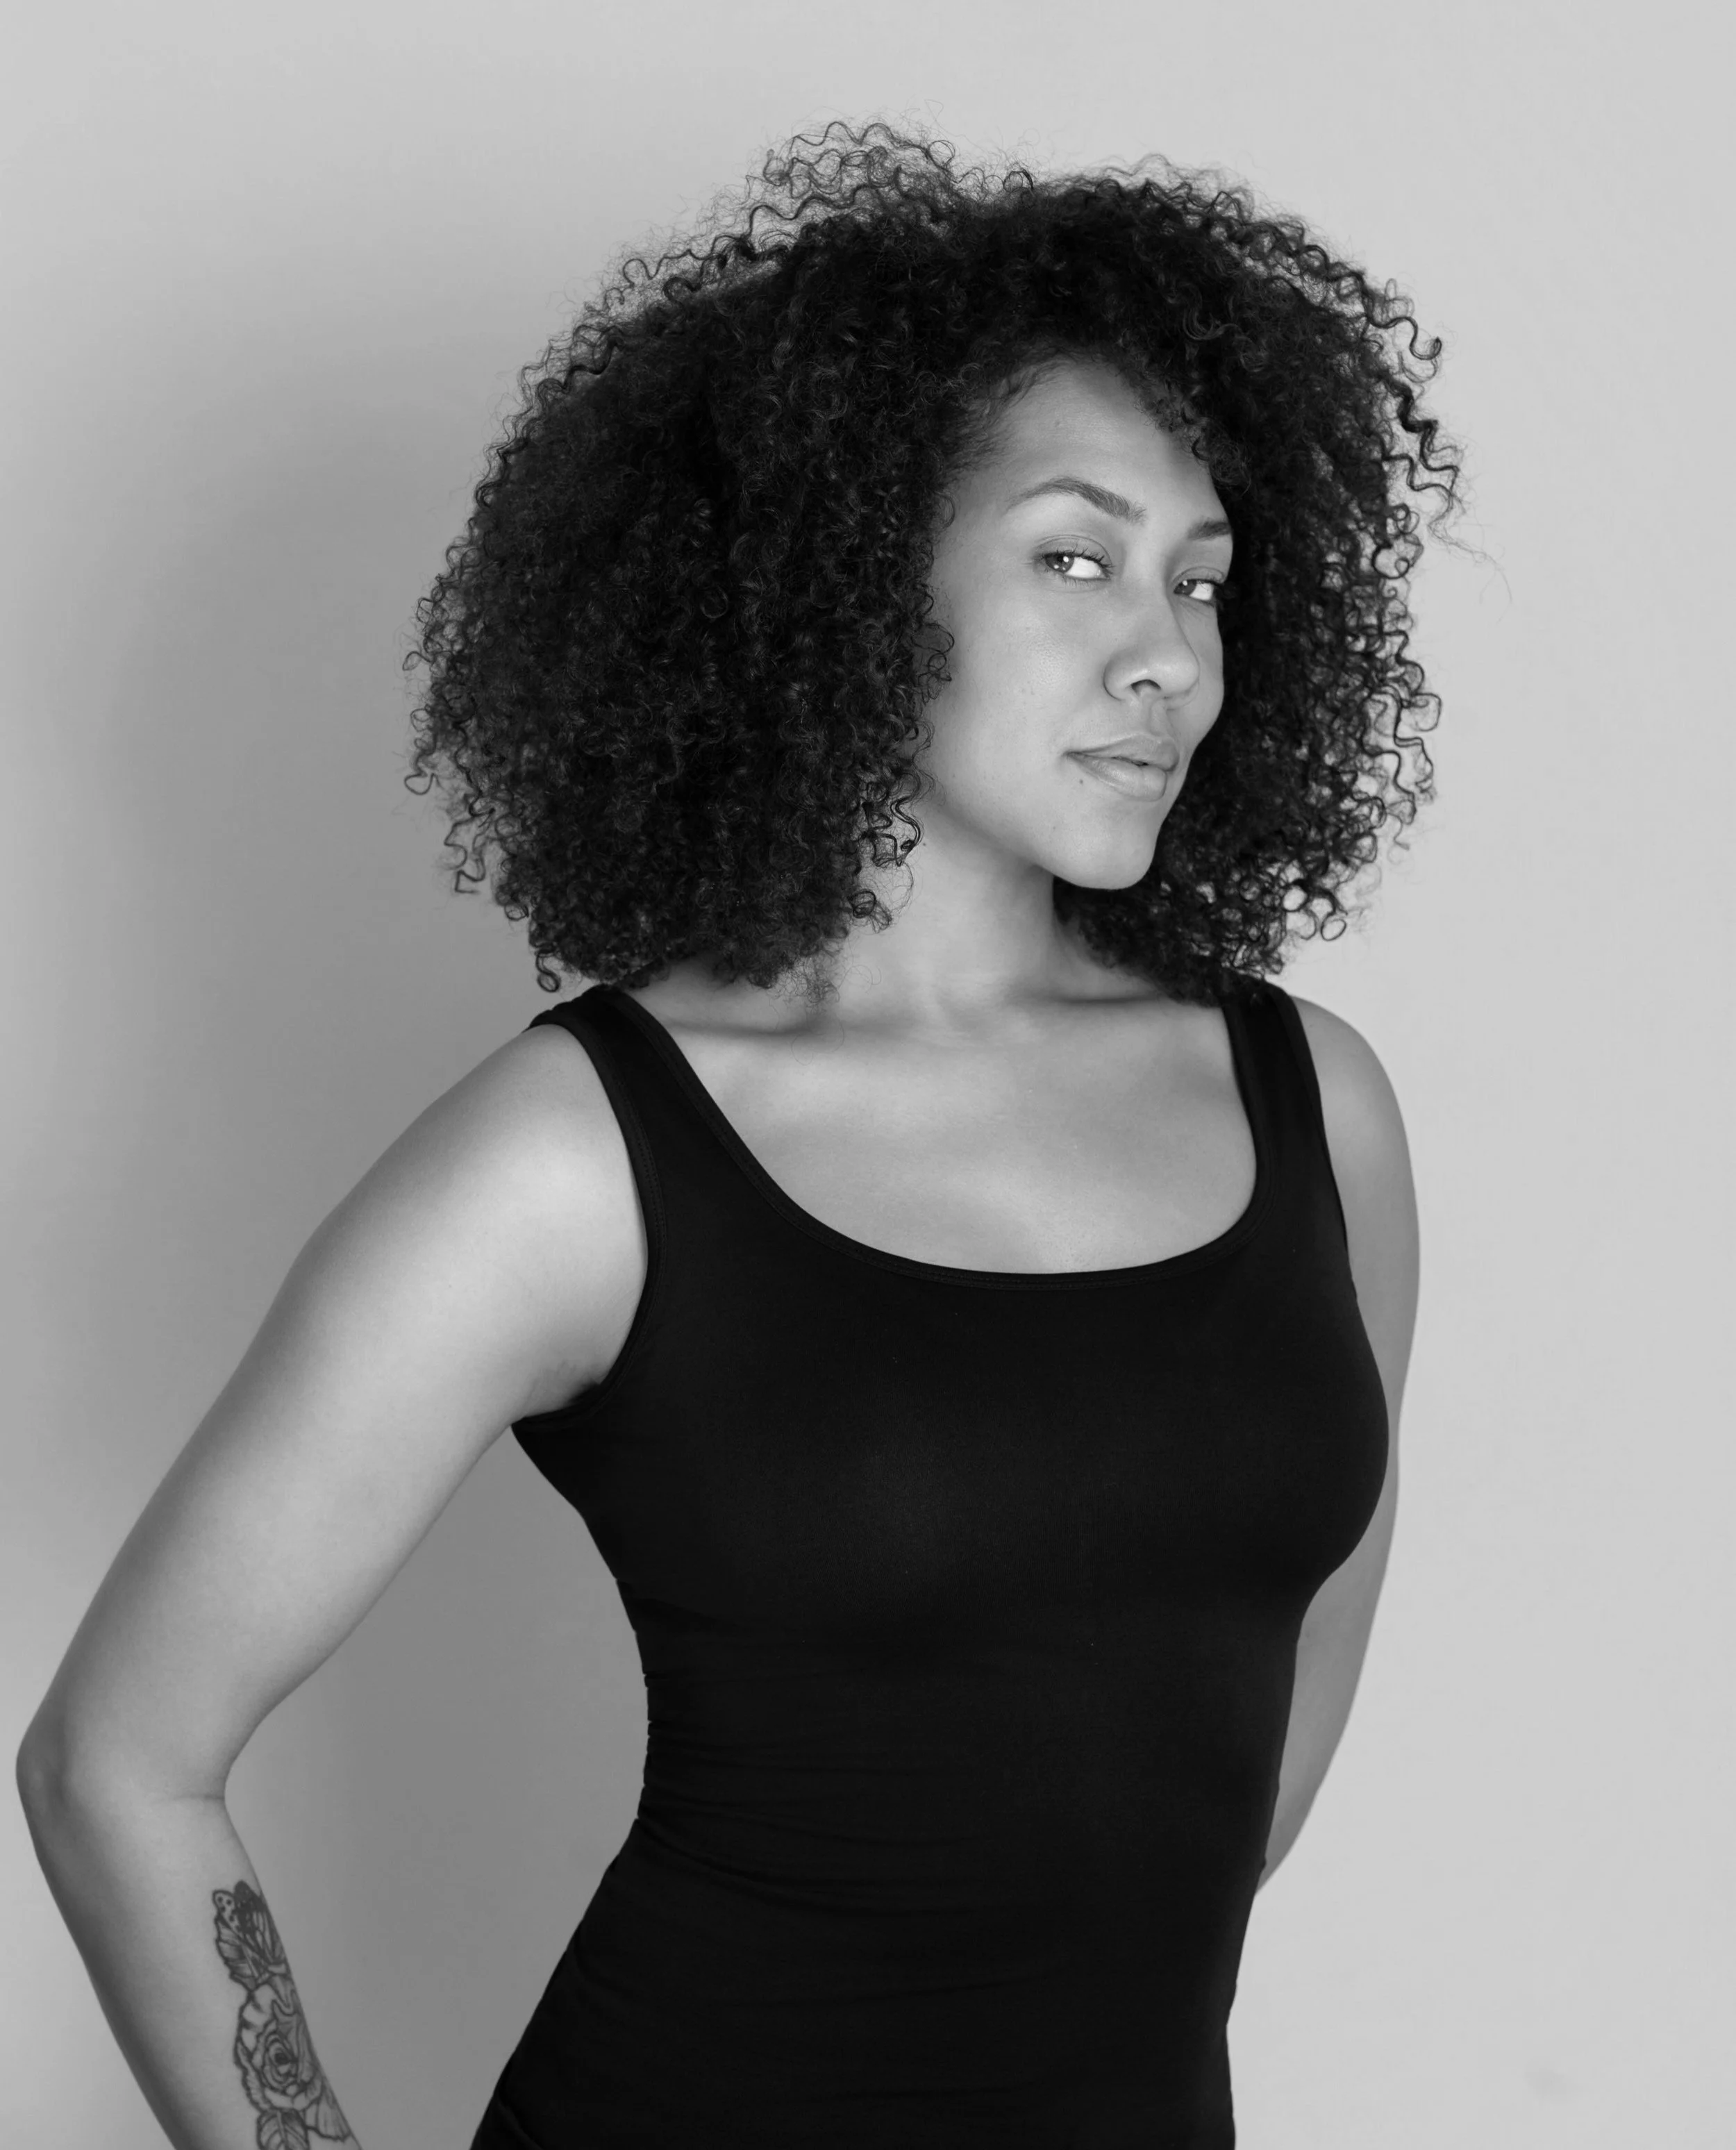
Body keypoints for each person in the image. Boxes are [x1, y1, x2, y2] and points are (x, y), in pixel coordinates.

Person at [18, 120, 1459, 2148]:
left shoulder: (1317, 1110)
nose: (1167, 656)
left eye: (1199, 581)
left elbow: (1242, 1767)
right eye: (1072, 556)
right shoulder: (577, 1156)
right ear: (849, 580)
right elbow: (116, 1761)